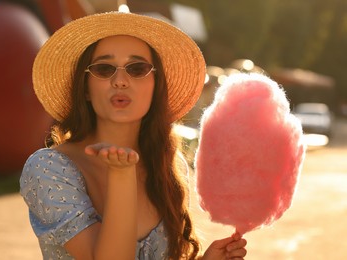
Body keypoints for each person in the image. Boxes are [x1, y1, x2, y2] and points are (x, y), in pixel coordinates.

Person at [20, 11, 247, 260]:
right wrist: (121, 174)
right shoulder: (48, 168)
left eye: (137, 68)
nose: (120, 81)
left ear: (155, 86)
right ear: (85, 88)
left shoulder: (169, 164)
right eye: (104, 69)